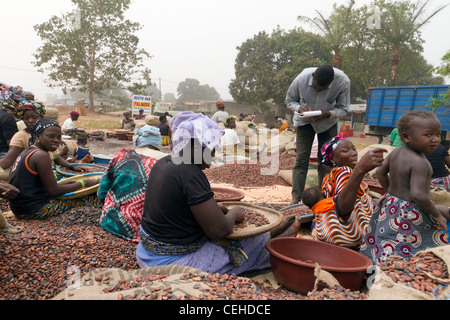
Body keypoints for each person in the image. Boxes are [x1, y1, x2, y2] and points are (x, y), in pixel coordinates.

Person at [136, 111, 300, 275]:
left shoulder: (163, 163)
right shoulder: (191, 174)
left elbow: (177, 207)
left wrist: (214, 208)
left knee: (250, 236)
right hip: (169, 263)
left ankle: (268, 236)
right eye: (212, 149)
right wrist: (235, 213)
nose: (213, 156)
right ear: (197, 147)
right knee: (246, 245)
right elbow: (219, 230)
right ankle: (270, 244)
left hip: (146, 253)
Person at [360, 111, 450, 264]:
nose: (435, 139)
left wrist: (391, 194)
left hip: (389, 204)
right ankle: (393, 273)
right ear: (406, 137)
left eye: (438, 134)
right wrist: (438, 215)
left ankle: (376, 267)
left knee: (385, 238)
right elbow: (418, 195)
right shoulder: (420, 163)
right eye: (428, 135)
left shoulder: (397, 152)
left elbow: (380, 173)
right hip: (409, 212)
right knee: (408, 246)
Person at [301, 136, 387, 249]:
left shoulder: (328, 178)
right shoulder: (344, 171)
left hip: (332, 231)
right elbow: (343, 208)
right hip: (350, 234)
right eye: (345, 151)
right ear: (333, 159)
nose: (354, 153)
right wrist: (360, 170)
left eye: (354, 149)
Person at [8, 119, 101, 220]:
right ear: (38, 136)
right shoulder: (41, 155)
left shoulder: (29, 152)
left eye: (59, 137)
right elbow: (54, 191)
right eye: (51, 136)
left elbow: (39, 187)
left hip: (20, 207)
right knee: (91, 198)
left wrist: (67, 183)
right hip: (35, 210)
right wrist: (84, 183)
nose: (56, 140)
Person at [285, 64, 351, 205]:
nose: (318, 91)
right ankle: (296, 198)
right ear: (313, 76)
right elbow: (289, 101)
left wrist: (329, 113)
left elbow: (344, 108)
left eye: (322, 89)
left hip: (327, 122)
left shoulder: (343, 82)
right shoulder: (301, 79)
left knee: (327, 160)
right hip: (304, 121)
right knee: (301, 160)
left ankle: (325, 196)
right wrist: (298, 107)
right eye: (315, 88)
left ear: (331, 82)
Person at [98, 125, 164, 243]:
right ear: (158, 143)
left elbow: (102, 192)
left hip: (110, 222)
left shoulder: (122, 155)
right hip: (147, 231)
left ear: (138, 140)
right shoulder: (167, 162)